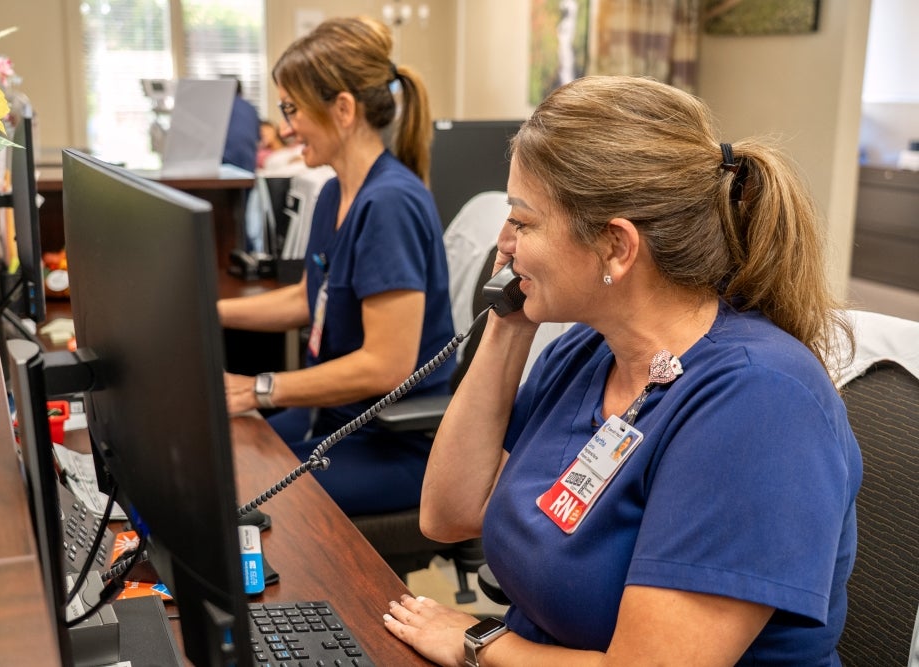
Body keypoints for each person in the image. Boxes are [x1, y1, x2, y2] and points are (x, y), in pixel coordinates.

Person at [384, 75, 862, 666]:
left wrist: (477, 643)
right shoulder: (586, 353)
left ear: (616, 246)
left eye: (523, 222)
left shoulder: (761, 403)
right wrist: (508, 323)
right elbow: (449, 514)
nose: (502, 243)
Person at [218, 16, 456, 517]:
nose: (283, 128)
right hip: (336, 419)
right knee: (222, 454)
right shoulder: (334, 192)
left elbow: (385, 364)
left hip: (394, 442)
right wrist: (207, 310)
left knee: (241, 493)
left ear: (343, 109)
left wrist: (259, 389)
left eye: (292, 109)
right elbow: (308, 295)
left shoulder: (389, 204)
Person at [222, 78, 260, 173]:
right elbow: (257, 139)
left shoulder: (220, 107)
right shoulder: (251, 108)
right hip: (248, 168)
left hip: (225, 165)